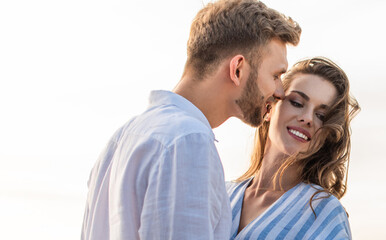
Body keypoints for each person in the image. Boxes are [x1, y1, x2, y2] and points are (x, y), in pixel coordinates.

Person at [81, 1, 301, 239]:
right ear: (238, 69)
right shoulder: (189, 141)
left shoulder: (122, 137)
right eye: (276, 75)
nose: (280, 91)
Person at [226, 57, 360, 240]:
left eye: (321, 115)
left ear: (326, 136)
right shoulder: (220, 194)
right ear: (269, 108)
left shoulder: (324, 214)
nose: (308, 118)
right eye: (297, 103)